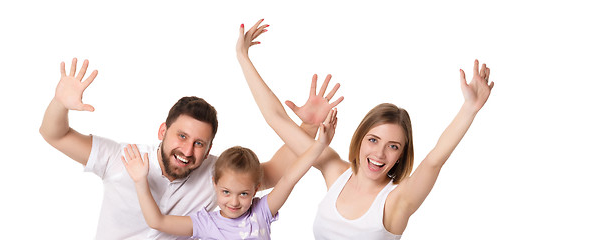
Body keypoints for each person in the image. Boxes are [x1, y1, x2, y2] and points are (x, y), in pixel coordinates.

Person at [236, 19, 494, 239]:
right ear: (360, 140)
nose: (380, 154)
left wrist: (469, 109)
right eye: (373, 140)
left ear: (402, 155)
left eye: (393, 146)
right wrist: (243, 56)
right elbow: (276, 119)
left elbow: (434, 161)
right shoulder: (335, 171)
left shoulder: (396, 200)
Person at [38, 58, 342, 239]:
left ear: (210, 148)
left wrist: (309, 128)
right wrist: (59, 104)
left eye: (199, 143)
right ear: (163, 131)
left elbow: (277, 174)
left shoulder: (219, 176)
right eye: (181, 136)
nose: (187, 150)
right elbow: (55, 134)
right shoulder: (125, 158)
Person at [121, 109, 337, 239]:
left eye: (243, 194)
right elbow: (157, 221)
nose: (233, 202)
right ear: (214, 184)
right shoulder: (205, 223)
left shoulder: (261, 212)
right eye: (226, 192)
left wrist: (319, 146)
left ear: (256, 188)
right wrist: (141, 181)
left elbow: (290, 177)